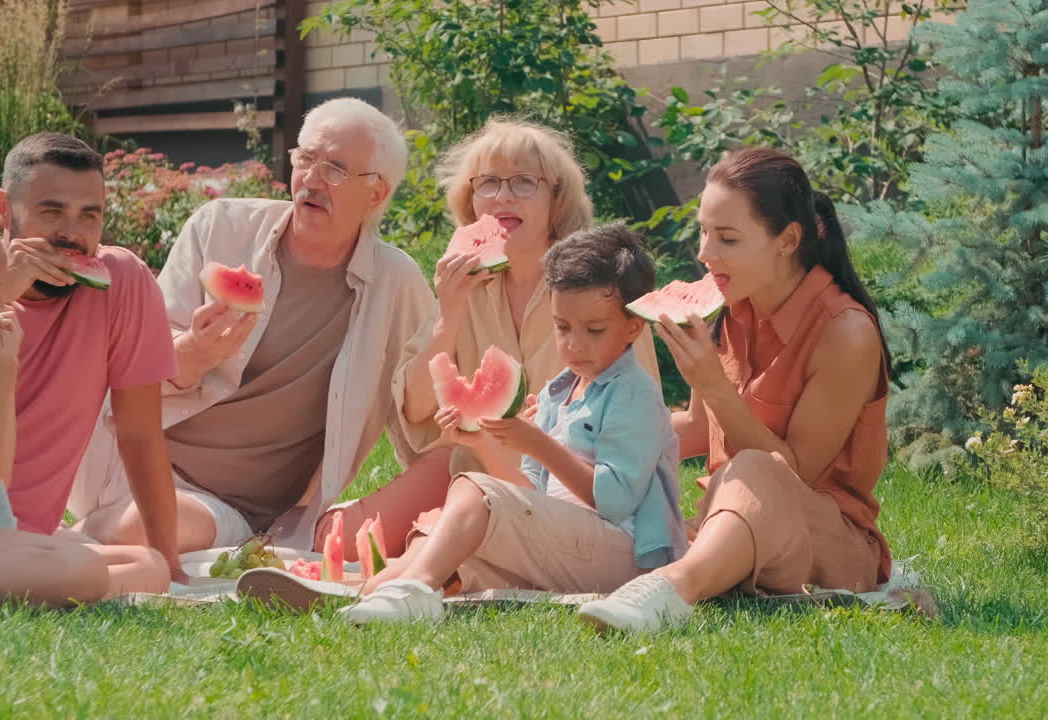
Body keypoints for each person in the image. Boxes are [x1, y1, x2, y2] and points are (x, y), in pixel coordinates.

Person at [237, 224, 687, 622]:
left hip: (623, 559)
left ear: (634, 326)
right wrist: (486, 444)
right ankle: (359, 594)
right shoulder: (561, 390)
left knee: (474, 493)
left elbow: (615, 500)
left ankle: (412, 593)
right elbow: (529, 494)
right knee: (444, 529)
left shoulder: (635, 392)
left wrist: (537, 443)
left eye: (593, 330)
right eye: (561, 327)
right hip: (568, 545)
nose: (573, 344)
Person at [68, 97, 437, 553]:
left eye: (336, 169)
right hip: (120, 451)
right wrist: (194, 353)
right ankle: (32, 540)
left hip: (220, 505)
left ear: (377, 193)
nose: (311, 180)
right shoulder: (219, 227)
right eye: (306, 159)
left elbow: (423, 413)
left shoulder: (395, 283)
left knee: (142, 527)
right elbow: (132, 368)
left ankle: (42, 550)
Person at [578, 148, 894, 633]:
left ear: (788, 240)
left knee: (756, 468)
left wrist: (715, 386)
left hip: (828, 545)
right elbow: (698, 428)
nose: (705, 253)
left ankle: (671, 589)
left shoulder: (846, 333)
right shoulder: (734, 309)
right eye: (704, 232)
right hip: (723, 527)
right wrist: (582, 435)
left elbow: (792, 476)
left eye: (726, 238)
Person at [324, 118, 662, 557]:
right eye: (487, 183)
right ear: (470, 199)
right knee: (338, 543)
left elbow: (642, 414)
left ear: (556, 199)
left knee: (431, 554)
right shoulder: (465, 284)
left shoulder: (598, 290)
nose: (503, 195)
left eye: (524, 182)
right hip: (467, 465)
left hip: (573, 487)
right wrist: (449, 314)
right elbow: (416, 407)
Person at [0, 133, 183, 582]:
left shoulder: (123, 283)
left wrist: (170, 561)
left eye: (88, 216)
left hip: (24, 542)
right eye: (51, 211)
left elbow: (139, 434)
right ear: (4, 209)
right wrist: (0, 298)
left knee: (148, 567)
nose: (72, 234)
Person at [0, 217, 166, 606]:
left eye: (2, 293)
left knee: (149, 564)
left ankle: (59, 580)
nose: (2, 309)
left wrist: (1, 381)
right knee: (81, 570)